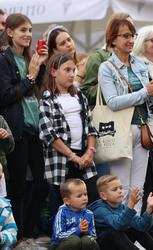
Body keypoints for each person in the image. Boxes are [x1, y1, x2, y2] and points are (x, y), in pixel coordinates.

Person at [99, 19, 153, 214]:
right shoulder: (107, 67)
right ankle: (122, 233)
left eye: (132, 36)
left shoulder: (140, 64)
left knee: (138, 188)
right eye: (125, 36)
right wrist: (146, 91)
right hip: (122, 130)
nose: (130, 40)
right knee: (121, 188)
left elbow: (147, 101)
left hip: (143, 130)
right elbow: (113, 102)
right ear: (112, 39)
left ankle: (135, 236)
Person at [0, 13, 49, 239]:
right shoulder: (4, 59)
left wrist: (41, 67)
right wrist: (30, 77)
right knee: (17, 186)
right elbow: (6, 96)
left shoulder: (30, 58)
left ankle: (27, 232)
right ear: (9, 32)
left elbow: (35, 89)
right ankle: (18, 236)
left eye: (30, 30)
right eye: (23, 30)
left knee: (41, 183)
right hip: (16, 130)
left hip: (34, 128)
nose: (28, 34)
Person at [39, 53, 99, 217]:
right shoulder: (47, 100)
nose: (72, 74)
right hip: (61, 159)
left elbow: (90, 127)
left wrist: (90, 151)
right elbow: (48, 134)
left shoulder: (79, 96)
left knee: (91, 200)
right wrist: (73, 156)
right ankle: (62, 241)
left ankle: (90, 238)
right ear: (53, 72)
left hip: (84, 157)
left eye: (73, 70)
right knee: (60, 206)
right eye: (67, 70)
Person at [88, 175, 153, 250]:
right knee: (113, 231)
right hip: (102, 245)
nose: (120, 191)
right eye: (114, 189)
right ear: (103, 196)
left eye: (121, 188)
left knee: (134, 228)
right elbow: (118, 225)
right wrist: (131, 204)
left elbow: (142, 226)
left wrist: (149, 208)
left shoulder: (121, 207)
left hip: (119, 243)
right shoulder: (99, 209)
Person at [81, 12, 132, 107]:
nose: (131, 33)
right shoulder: (97, 58)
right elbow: (86, 93)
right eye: (126, 33)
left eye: (132, 30)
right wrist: (110, 84)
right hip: (112, 115)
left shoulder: (134, 57)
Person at [51, 179, 99, 250]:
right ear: (67, 201)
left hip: (81, 244)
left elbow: (94, 235)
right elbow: (58, 236)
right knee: (74, 241)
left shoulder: (89, 213)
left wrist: (86, 231)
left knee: (88, 241)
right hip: (62, 245)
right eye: (79, 196)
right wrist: (78, 230)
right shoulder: (62, 213)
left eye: (85, 194)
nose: (84, 198)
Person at [0, 116, 15, 198]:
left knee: (3, 205)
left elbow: (10, 148)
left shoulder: (0, 119)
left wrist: (6, 137)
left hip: (1, 170)